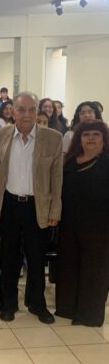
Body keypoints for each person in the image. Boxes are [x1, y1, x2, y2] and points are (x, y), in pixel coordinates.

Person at [0, 92, 63, 324]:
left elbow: (57, 178)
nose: (26, 114)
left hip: (37, 207)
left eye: (31, 109)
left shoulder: (52, 138)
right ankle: (9, 304)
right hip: (10, 206)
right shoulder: (0, 135)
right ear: (12, 111)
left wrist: (55, 211)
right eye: (21, 109)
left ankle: (37, 304)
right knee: (8, 258)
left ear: (37, 112)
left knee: (35, 258)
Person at [56, 120, 109, 327]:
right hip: (69, 224)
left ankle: (89, 315)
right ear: (79, 138)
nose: (91, 139)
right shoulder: (70, 162)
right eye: (86, 135)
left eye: (96, 135)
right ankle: (67, 308)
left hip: (99, 227)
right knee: (69, 266)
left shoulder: (106, 162)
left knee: (95, 270)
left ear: (103, 138)